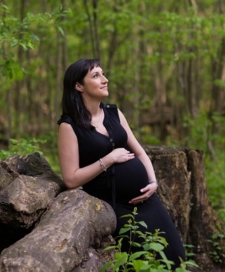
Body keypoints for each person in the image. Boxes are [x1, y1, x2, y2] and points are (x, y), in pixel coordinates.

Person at [57, 58, 185, 268]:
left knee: (176, 258)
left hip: (148, 200)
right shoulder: (69, 126)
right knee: (139, 262)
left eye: (103, 73)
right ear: (78, 86)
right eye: (96, 76)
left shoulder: (114, 113)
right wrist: (109, 159)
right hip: (115, 206)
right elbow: (71, 179)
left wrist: (153, 181)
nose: (105, 80)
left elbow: (140, 152)